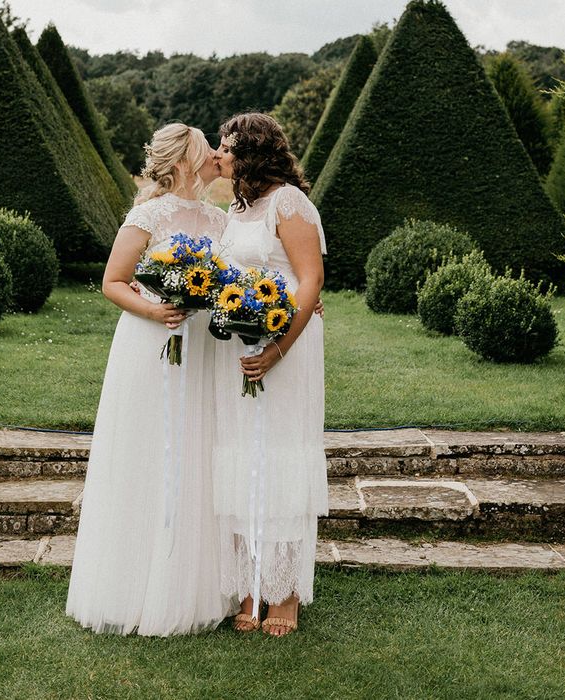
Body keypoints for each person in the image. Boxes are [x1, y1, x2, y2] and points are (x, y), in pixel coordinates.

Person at [66, 123, 233, 636]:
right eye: (206, 149)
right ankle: (132, 584)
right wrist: (154, 309)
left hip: (201, 345)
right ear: (184, 159)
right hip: (150, 344)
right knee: (149, 451)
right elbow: (112, 283)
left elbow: (234, 276)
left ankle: (193, 583)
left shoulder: (218, 219)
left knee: (196, 449)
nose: (214, 157)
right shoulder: (147, 215)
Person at [212, 113, 328, 636]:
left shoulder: (289, 202)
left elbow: (310, 280)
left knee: (279, 454)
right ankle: (248, 584)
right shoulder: (236, 209)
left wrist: (279, 348)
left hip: (285, 347)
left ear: (252, 151)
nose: (219, 153)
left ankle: (282, 593)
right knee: (239, 453)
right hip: (236, 345)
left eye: (226, 146)